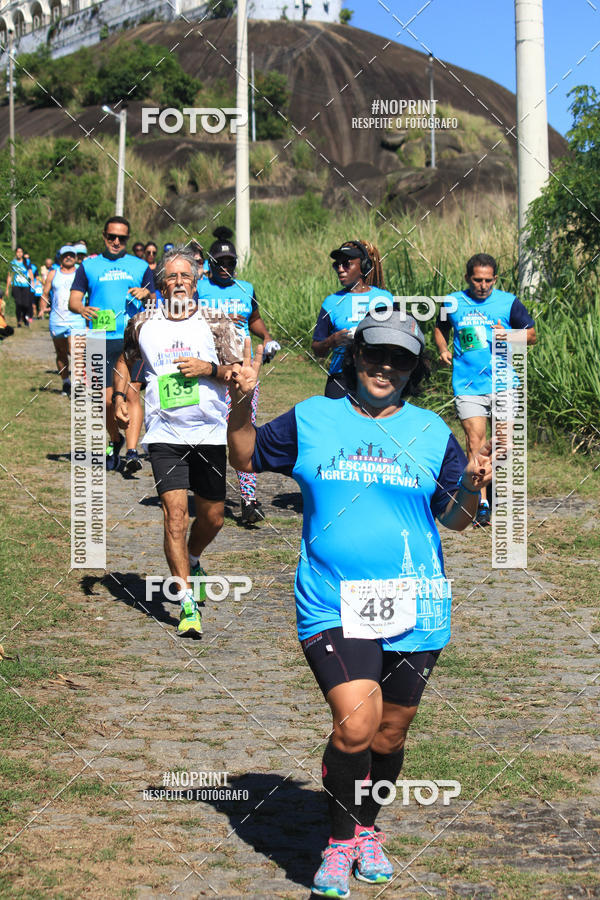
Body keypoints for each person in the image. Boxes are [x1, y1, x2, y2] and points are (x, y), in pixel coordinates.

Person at [228, 306, 493, 898]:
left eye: (400, 359)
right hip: (331, 599)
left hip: (416, 600)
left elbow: (457, 522)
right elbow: (245, 457)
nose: (385, 366)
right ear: (355, 357)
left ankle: (367, 829)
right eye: (375, 353)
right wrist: (242, 401)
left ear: (413, 370)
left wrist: (474, 490)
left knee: (389, 735)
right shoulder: (313, 417)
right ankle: (340, 840)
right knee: (355, 725)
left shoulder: (431, 433)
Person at [113, 247, 242, 636]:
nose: (179, 282)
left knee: (213, 517)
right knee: (174, 516)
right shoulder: (142, 323)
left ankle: (195, 555)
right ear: (160, 282)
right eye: (171, 276)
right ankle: (187, 604)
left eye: (186, 275)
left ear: (197, 279)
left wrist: (210, 369)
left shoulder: (218, 322)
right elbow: (126, 361)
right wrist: (121, 396)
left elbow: (238, 373)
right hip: (164, 433)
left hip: (209, 432)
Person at [434, 253, 536, 527]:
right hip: (468, 385)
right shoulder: (453, 302)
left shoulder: (508, 302)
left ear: (495, 279)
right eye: (477, 280)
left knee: (502, 445)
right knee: (475, 442)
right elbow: (440, 329)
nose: (482, 285)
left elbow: (532, 335)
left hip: (504, 384)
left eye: (488, 280)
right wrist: (443, 349)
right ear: (468, 278)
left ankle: (500, 498)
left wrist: (508, 335)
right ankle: (481, 504)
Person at [197, 226, 280, 526]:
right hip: (207, 373)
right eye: (219, 263)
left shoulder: (246, 288)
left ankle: (248, 500)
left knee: (243, 432)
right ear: (209, 264)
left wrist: (267, 338)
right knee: (211, 434)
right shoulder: (199, 288)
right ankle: (208, 492)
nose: (225, 268)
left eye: (230, 263)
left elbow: (255, 319)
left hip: (241, 372)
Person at [68, 215, 156, 472]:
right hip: (99, 339)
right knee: (106, 400)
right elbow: (73, 301)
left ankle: (132, 452)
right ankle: (115, 440)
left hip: (131, 338)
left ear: (128, 240)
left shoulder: (140, 267)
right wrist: (82, 308)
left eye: (122, 238)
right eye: (111, 237)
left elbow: (153, 299)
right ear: (104, 236)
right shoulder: (89, 266)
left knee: (131, 394)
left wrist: (146, 293)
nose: (116, 241)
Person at [312, 240, 393, 399]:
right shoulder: (331, 302)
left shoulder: (385, 299)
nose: (340, 269)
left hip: (376, 376)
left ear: (363, 267)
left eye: (347, 264)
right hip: (341, 379)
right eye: (337, 265)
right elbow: (317, 348)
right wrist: (331, 341)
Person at [41, 245, 86, 397]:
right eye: (65, 255)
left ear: (75, 257)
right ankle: (66, 382)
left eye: (71, 255)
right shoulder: (53, 273)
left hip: (77, 318)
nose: (68, 258)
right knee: (61, 353)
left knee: (77, 352)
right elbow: (45, 293)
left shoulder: (81, 272)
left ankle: (78, 384)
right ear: (60, 257)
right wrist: (42, 307)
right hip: (57, 319)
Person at [6, 246, 33, 328]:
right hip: (16, 286)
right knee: (18, 303)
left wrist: (33, 284)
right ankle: (19, 321)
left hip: (25, 286)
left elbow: (30, 273)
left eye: (21, 252)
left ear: (23, 253)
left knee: (26, 304)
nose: (19, 253)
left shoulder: (27, 262)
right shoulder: (13, 263)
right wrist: (7, 288)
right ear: (16, 253)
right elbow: (9, 275)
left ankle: (24, 317)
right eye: (18, 252)